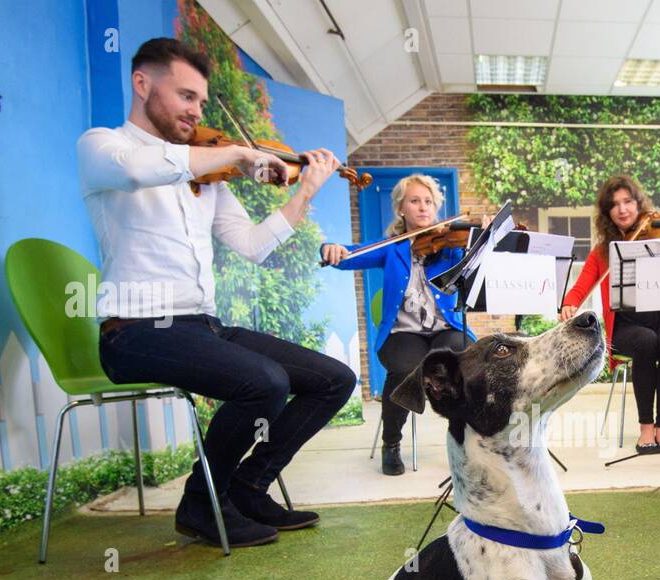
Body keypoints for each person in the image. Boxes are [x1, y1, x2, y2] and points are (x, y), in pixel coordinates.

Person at [78, 38, 356, 548]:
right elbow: (139, 170)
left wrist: (305, 192)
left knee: (333, 379)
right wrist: (234, 154)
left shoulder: (208, 175)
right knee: (265, 383)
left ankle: (249, 484)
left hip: (202, 325)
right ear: (142, 84)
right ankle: (202, 504)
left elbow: (252, 246)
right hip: (135, 330)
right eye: (186, 96)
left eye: (201, 102)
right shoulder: (102, 146)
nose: (196, 111)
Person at [320, 176, 484, 475]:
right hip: (401, 333)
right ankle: (391, 444)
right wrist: (332, 249)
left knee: (464, 361)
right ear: (400, 209)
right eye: (415, 201)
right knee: (406, 370)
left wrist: (482, 236)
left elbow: (480, 258)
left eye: (429, 202)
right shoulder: (392, 248)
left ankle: (465, 440)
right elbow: (352, 255)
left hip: (445, 327)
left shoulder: (451, 245)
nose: (423, 207)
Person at [560, 174, 660, 453]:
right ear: (607, 213)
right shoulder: (604, 252)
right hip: (626, 327)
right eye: (615, 205)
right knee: (647, 341)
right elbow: (581, 287)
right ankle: (646, 428)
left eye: (627, 202)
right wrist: (569, 303)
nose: (622, 209)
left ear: (638, 204)